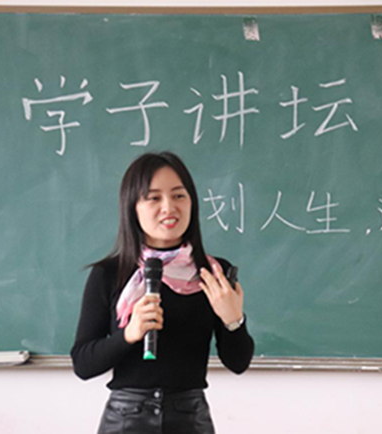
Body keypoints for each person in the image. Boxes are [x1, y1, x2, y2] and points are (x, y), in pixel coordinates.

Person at [71, 151, 254, 434]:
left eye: (179, 196)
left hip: (190, 419)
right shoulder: (110, 273)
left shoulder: (213, 273)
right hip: (125, 420)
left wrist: (233, 320)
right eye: (153, 198)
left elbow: (238, 363)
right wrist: (129, 334)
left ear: (192, 202)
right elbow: (83, 364)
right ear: (133, 207)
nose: (169, 207)